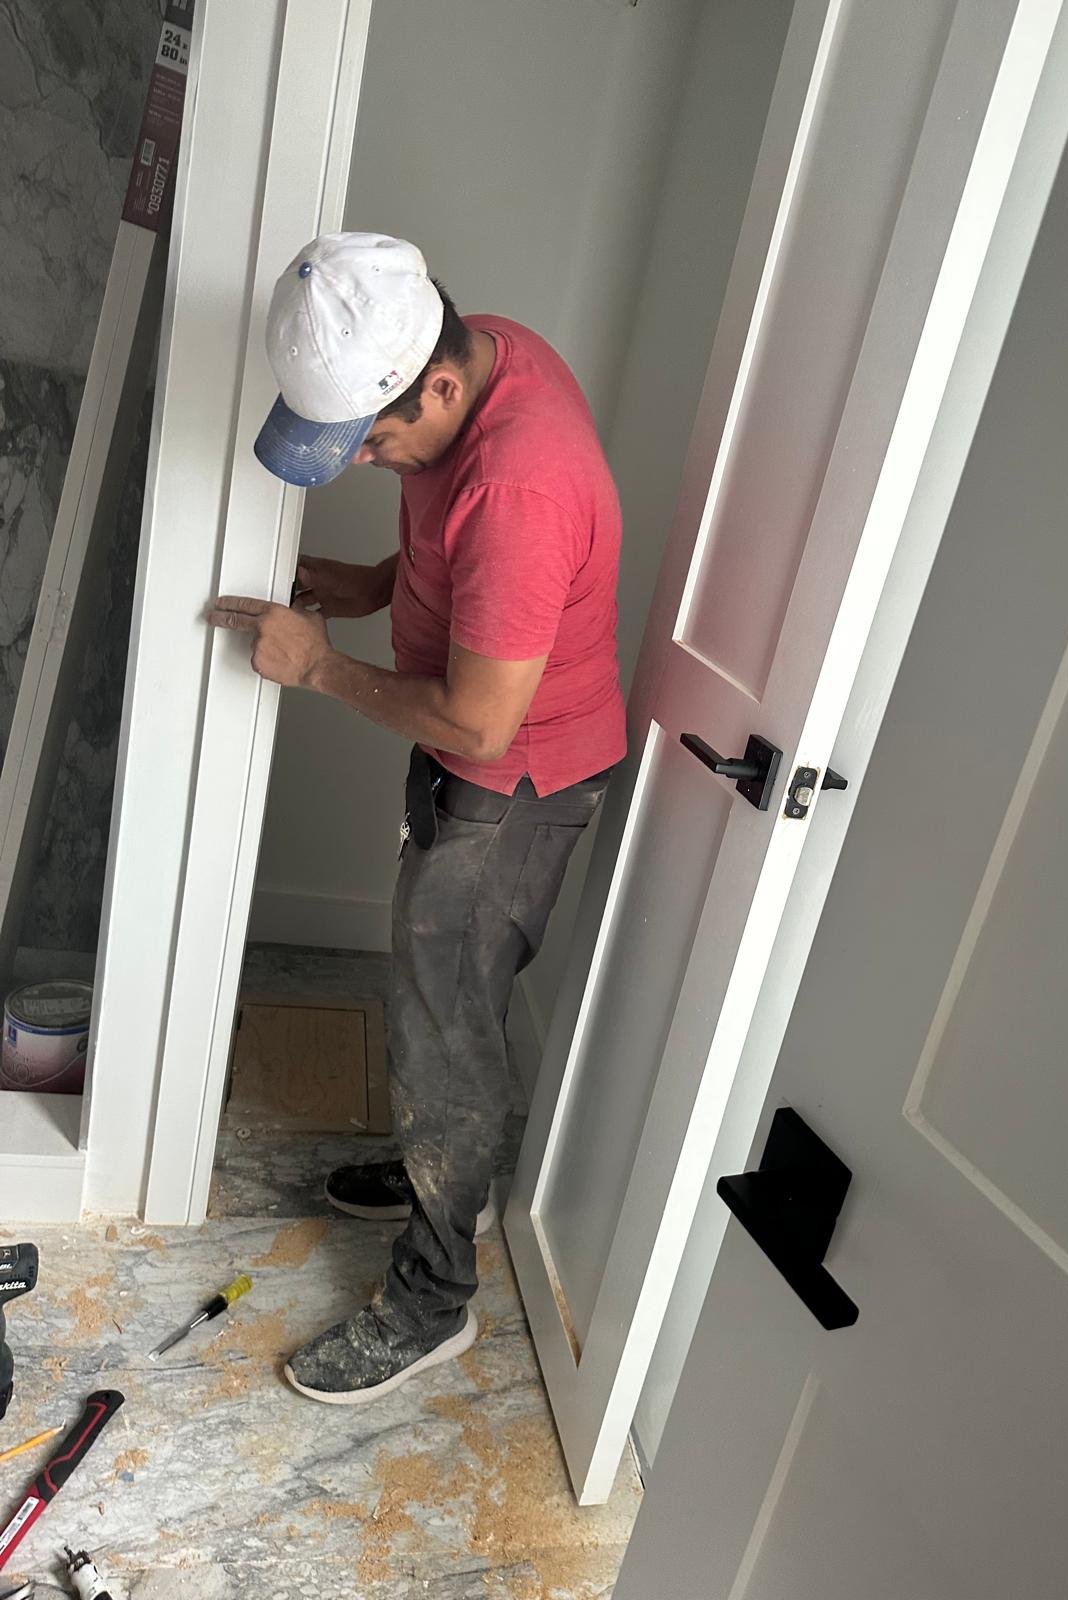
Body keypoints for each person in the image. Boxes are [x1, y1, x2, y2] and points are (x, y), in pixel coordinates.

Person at [209, 232, 625, 1403]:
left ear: (437, 386)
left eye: (373, 440)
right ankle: (442, 1165)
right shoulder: (492, 354)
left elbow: (482, 724)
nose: (363, 459)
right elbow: (464, 551)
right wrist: (367, 585)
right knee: (442, 1009)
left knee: (449, 1036)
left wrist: (318, 665)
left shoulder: (522, 484)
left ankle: (432, 1302)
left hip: (511, 786)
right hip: (483, 765)